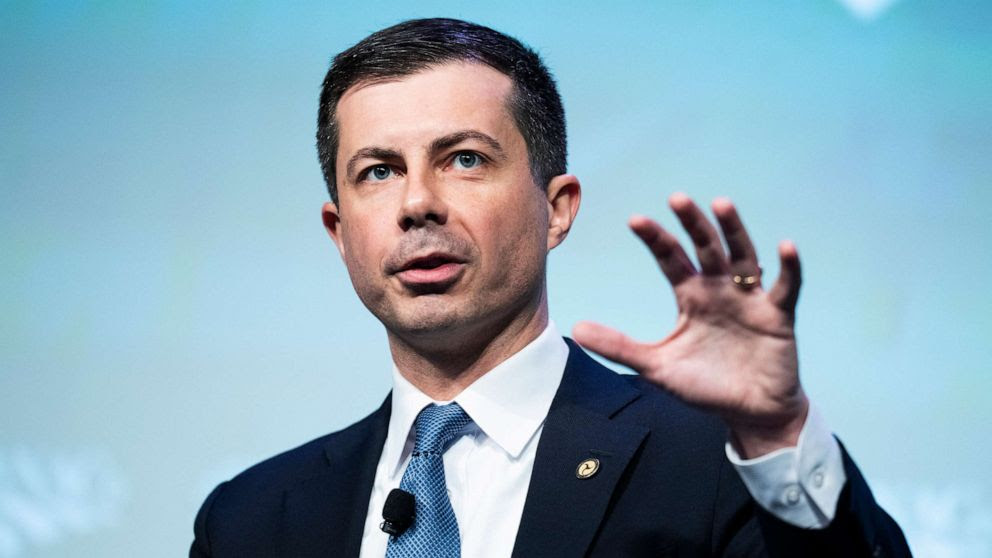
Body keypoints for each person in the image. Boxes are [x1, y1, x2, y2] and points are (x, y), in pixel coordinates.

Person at [190, 18, 911, 557]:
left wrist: (777, 435)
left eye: (464, 159)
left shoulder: (716, 466)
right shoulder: (253, 520)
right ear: (339, 230)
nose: (417, 203)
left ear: (557, 208)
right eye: (378, 172)